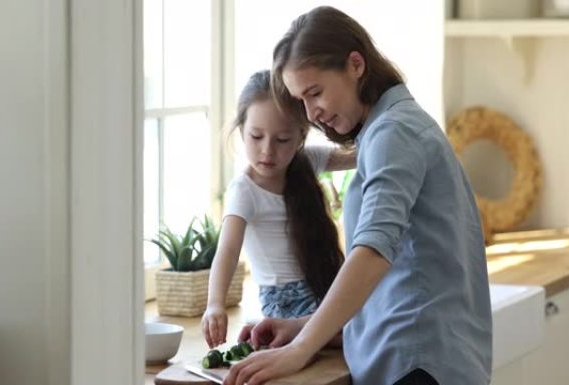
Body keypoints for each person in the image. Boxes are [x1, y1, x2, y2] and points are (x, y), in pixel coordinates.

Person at [224, 6, 492, 385]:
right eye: (301, 100)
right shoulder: (398, 126)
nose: (311, 113)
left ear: (355, 65)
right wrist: (304, 327)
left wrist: (299, 350)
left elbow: (373, 253)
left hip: (416, 365)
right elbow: (397, 283)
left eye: (314, 93)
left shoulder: (392, 134)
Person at [201, 69, 356, 348]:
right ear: (241, 131)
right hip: (284, 301)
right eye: (256, 136)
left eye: (282, 140)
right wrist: (215, 304)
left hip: (324, 285)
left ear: (300, 137)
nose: (267, 151)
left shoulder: (306, 161)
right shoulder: (244, 190)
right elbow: (227, 250)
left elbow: (361, 154)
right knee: (357, 334)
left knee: (374, 318)